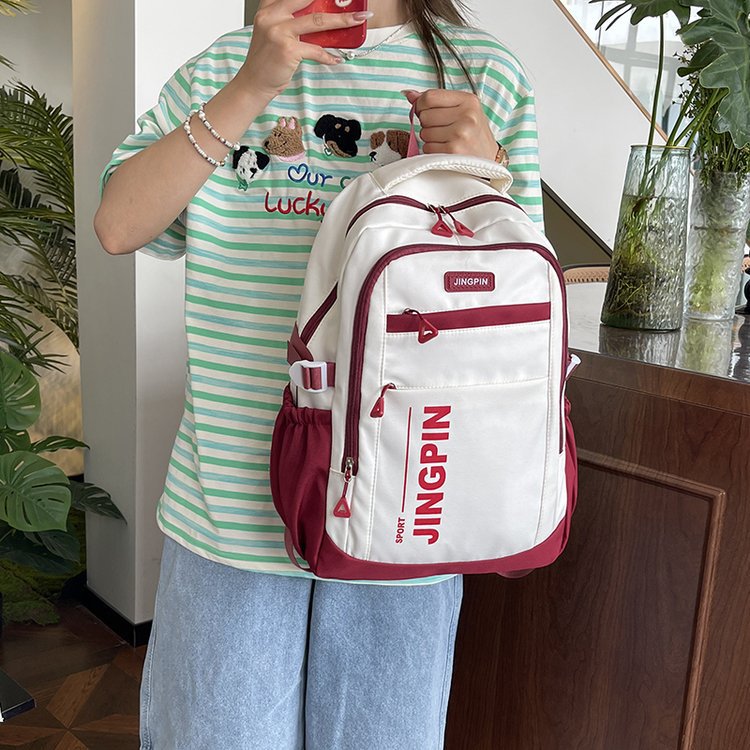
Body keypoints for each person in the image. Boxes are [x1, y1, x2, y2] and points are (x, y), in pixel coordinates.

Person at [95, 0, 543, 747]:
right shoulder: (225, 65)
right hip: (231, 512)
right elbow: (118, 224)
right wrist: (251, 86)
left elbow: (519, 298)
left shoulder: (486, 75)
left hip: (408, 514)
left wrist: (486, 173)